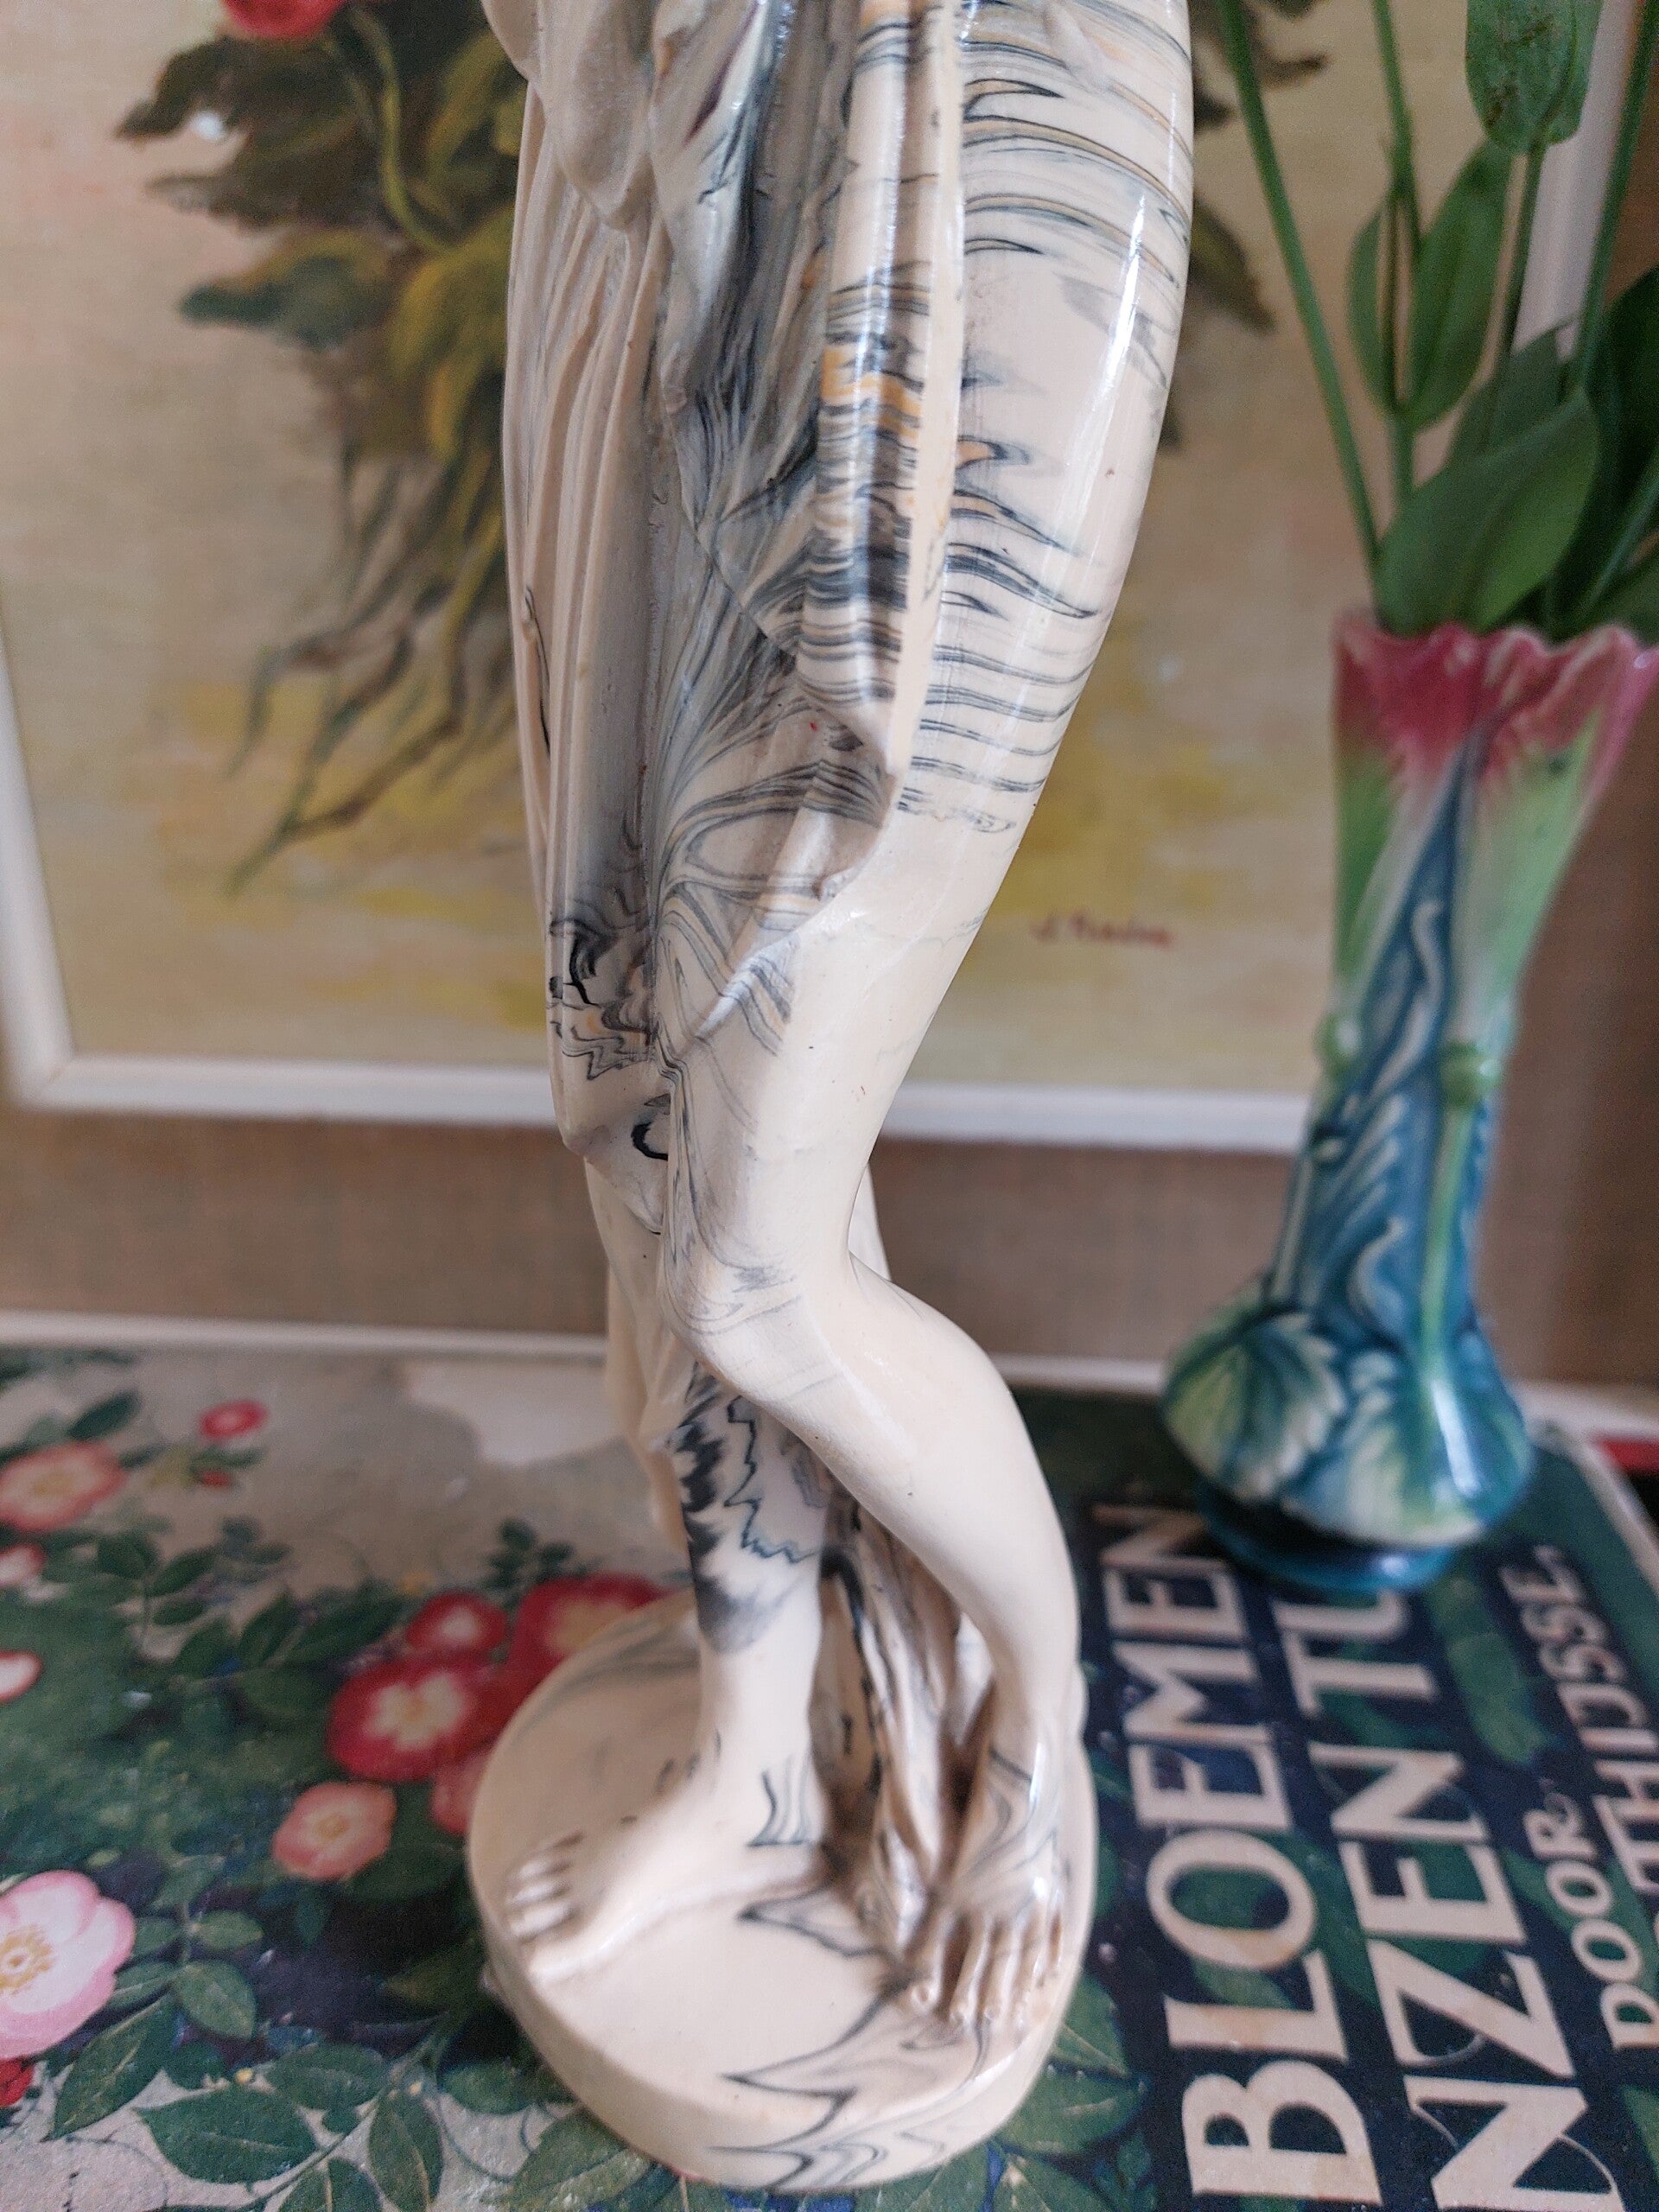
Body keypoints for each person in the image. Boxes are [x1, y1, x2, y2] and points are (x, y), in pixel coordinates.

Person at [484, 0, 1190, 2031]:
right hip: (643, 152)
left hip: (984, 143)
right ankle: (756, 1760)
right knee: (647, 1128)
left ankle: (1039, 1709)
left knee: (754, 1267)